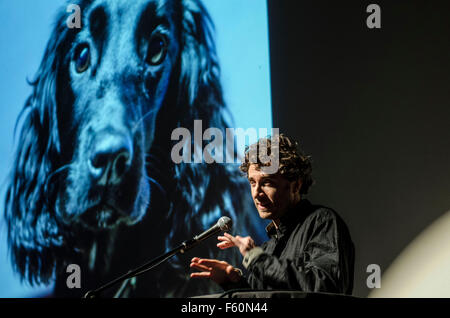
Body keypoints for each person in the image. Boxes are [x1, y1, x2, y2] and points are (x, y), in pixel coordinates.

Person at [190, 134, 355, 295]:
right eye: (252, 183)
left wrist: (257, 259)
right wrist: (233, 281)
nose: (256, 193)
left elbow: (327, 287)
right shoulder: (268, 247)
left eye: (267, 183)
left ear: (295, 186)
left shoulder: (322, 222)